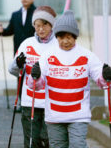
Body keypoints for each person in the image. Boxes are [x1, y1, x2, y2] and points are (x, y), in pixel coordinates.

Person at [29, 10, 111, 148]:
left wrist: (105, 75)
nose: (65, 41)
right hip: (54, 115)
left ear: (75, 37)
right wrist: (34, 76)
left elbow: (102, 82)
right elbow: (36, 85)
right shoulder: (48, 56)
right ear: (56, 37)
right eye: (61, 37)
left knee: (78, 145)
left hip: (78, 115)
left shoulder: (87, 56)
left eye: (69, 37)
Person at [9, 6, 57, 148]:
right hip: (30, 101)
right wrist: (18, 64)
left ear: (51, 25)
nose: (41, 29)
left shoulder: (58, 44)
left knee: (48, 139)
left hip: (52, 101)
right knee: (31, 140)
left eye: (45, 25)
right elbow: (12, 70)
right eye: (37, 25)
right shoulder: (27, 43)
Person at [0, 0, 36, 111]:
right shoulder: (15, 14)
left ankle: (35, 101)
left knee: (34, 74)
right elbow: (10, 30)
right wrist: (2, 31)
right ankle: (21, 102)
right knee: (20, 75)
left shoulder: (37, 13)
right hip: (19, 50)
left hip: (34, 50)